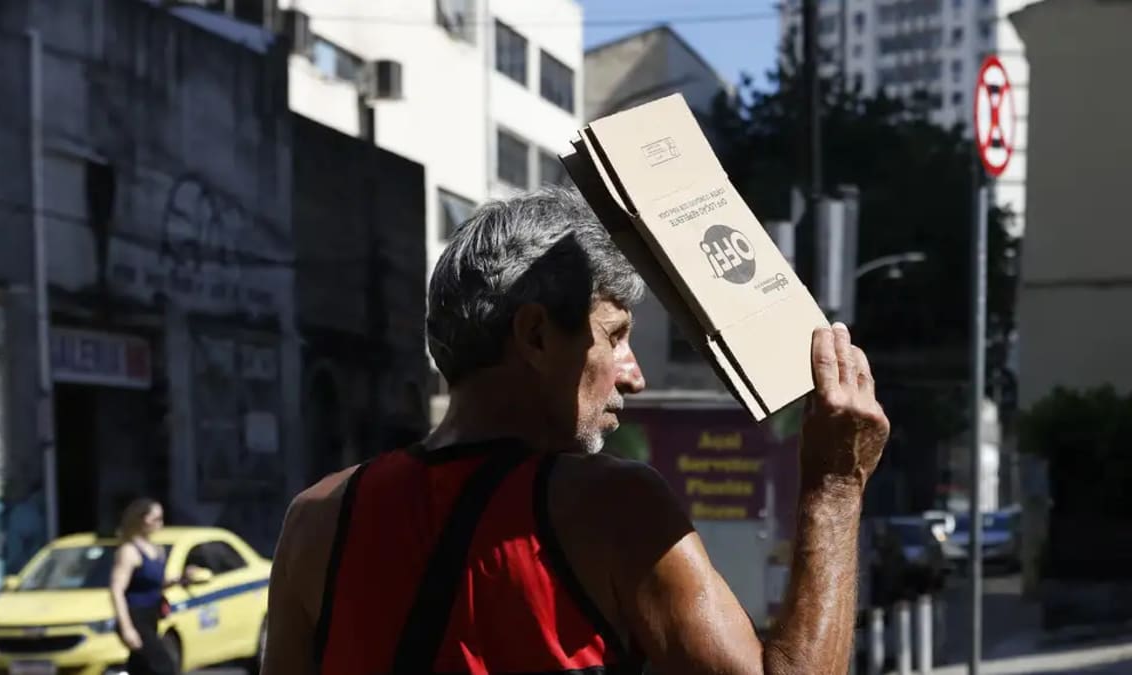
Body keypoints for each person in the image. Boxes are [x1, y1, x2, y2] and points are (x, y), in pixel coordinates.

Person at [263, 186, 890, 674]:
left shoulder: (318, 517)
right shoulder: (614, 508)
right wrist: (836, 485)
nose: (634, 376)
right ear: (536, 336)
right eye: (615, 336)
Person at [109, 498, 199, 675]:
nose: (160, 524)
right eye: (155, 519)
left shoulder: (157, 550)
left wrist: (181, 579)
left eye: (161, 519)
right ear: (141, 520)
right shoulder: (129, 551)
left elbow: (156, 583)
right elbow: (117, 589)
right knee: (164, 667)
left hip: (152, 616)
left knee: (141, 668)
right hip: (135, 617)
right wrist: (127, 628)